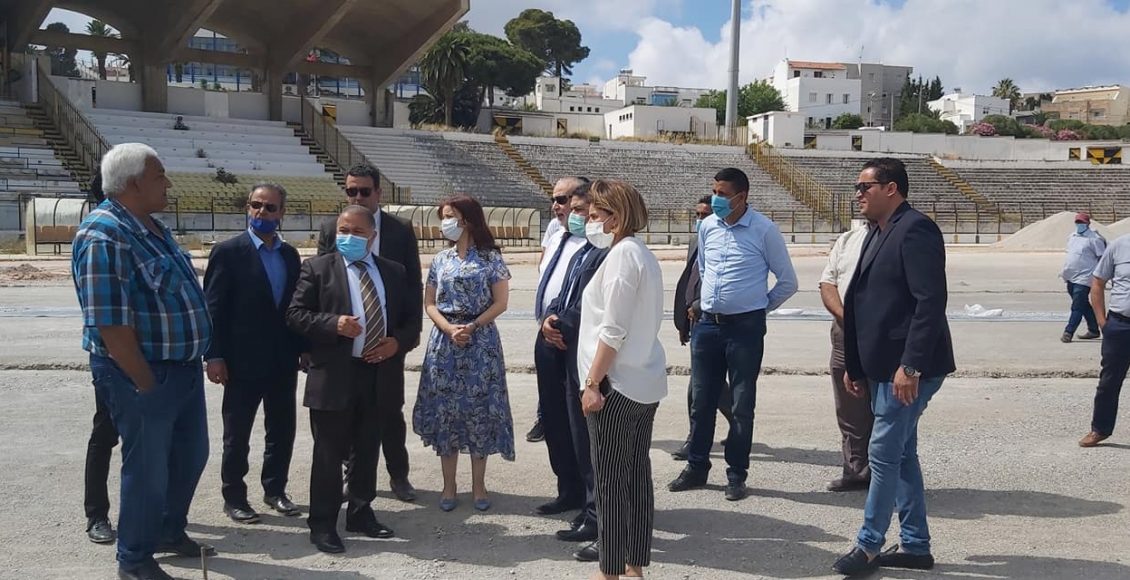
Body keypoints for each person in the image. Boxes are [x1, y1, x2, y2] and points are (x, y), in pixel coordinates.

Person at [72, 143, 214, 580]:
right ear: (133, 184)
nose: (167, 183)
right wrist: (146, 384)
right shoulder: (104, 235)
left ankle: (169, 530)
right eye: (159, 176)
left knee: (191, 456)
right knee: (148, 470)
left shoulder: (151, 227)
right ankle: (134, 560)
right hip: (141, 374)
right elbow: (111, 326)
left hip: (182, 370)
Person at [831, 157, 955, 576]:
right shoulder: (877, 231)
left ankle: (868, 544)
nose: (858, 194)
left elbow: (929, 303)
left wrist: (912, 367)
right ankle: (916, 546)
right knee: (900, 455)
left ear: (891, 189)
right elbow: (860, 303)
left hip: (908, 369)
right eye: (857, 187)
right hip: (881, 366)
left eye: (864, 187)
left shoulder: (916, 229)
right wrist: (855, 365)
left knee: (883, 453)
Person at [287, 206, 415, 554]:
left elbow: (409, 321)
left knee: (367, 448)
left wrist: (397, 343)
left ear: (372, 236)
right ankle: (322, 524)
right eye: (343, 231)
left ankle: (360, 512)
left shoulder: (393, 271)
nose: (349, 237)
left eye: (357, 232)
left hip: (377, 374)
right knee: (329, 453)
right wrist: (333, 324)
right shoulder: (318, 268)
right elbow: (295, 315)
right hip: (334, 374)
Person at [668, 167, 798, 501]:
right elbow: (705, 269)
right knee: (701, 401)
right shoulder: (708, 227)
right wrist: (702, 303)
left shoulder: (764, 230)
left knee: (741, 405)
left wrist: (757, 308)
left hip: (744, 330)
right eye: (714, 192)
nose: (717, 199)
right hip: (707, 326)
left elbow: (788, 282)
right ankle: (696, 466)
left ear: (741, 197)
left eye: (723, 194)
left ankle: (736, 474)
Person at [316, 164, 422, 502]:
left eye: (364, 191)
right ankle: (355, 477)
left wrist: (405, 338)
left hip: (386, 341)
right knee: (349, 413)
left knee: (389, 411)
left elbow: (413, 286)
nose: (357, 197)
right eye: (351, 191)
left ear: (378, 193)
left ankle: (398, 475)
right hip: (346, 344)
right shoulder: (332, 228)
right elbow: (321, 285)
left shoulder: (399, 230)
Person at [578, 179, 667, 580]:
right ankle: (634, 563)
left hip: (615, 386)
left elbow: (613, 330)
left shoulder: (621, 258)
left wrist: (593, 383)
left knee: (611, 483)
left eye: (595, 215)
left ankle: (610, 570)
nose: (589, 221)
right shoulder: (639, 253)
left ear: (615, 218)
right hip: (641, 381)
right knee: (635, 477)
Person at [203, 183, 307, 524]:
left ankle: (275, 490)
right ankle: (234, 497)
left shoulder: (289, 255)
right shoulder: (228, 252)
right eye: (256, 205)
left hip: (282, 359)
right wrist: (214, 355)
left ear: (282, 213)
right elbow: (213, 309)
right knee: (237, 434)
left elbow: (296, 307)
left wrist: (303, 349)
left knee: (282, 430)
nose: (262, 212)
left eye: (270, 207)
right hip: (241, 361)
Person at [413, 195, 515, 512]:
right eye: (443, 217)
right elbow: (429, 303)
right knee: (447, 412)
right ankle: (449, 485)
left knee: (479, 411)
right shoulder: (440, 259)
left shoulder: (490, 258)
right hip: (445, 342)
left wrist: (472, 325)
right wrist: (448, 328)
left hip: (480, 343)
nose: (445, 223)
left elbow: (501, 302)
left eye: (450, 216)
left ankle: (479, 485)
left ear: (467, 220)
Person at [540, 181, 609, 552]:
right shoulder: (578, 250)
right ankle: (578, 499)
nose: (577, 216)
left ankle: (598, 514)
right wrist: (550, 319)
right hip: (559, 343)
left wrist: (561, 323)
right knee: (564, 426)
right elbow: (562, 294)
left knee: (590, 439)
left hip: (585, 352)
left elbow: (592, 306)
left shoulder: (606, 252)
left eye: (585, 211)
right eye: (579, 211)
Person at [532, 176, 590, 516]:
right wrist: (546, 322)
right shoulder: (556, 236)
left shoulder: (595, 243)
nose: (556, 206)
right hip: (546, 334)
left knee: (576, 421)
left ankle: (588, 494)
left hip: (575, 340)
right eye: (554, 199)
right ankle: (567, 489)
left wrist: (562, 324)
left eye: (563, 200)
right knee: (553, 417)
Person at [671, 195, 733, 461]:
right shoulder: (696, 241)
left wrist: (699, 306)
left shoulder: (727, 241)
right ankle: (738, 421)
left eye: (705, 215)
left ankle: (694, 439)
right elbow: (691, 280)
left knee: (700, 385)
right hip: (696, 322)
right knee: (708, 382)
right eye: (697, 215)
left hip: (717, 321)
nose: (700, 220)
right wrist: (684, 321)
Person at [819, 220, 874, 492]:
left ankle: (889, 475)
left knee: (887, 407)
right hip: (844, 333)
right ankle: (855, 470)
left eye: (865, 195)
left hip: (882, 333)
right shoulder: (848, 239)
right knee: (849, 407)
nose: (859, 199)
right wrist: (846, 318)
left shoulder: (900, 235)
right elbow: (827, 283)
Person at [80, 169, 118, 546]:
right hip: (113, 358)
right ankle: (96, 514)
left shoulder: (142, 228)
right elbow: (102, 315)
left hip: (148, 355)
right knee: (106, 432)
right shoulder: (100, 232)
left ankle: (158, 516)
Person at [1079, 233, 1130, 447]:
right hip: (1120, 325)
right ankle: (1099, 429)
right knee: (1109, 381)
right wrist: (1102, 322)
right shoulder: (1119, 245)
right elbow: (1098, 283)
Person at [1061, 212, 1105, 343]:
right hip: (1070, 276)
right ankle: (1093, 329)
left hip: (1085, 278)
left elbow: (1102, 258)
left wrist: (1101, 277)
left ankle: (1068, 332)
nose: (1079, 224)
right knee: (1083, 304)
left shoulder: (1094, 239)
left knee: (1077, 306)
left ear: (1088, 224)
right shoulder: (1072, 236)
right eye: (1077, 222)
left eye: (1082, 222)